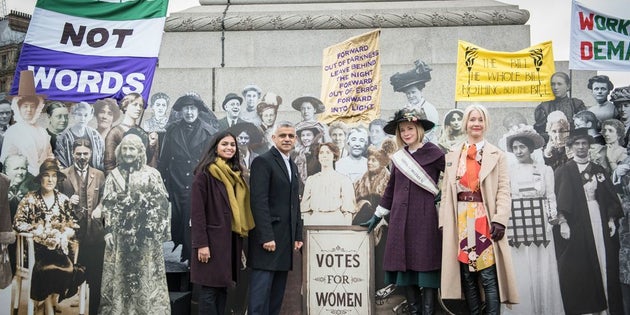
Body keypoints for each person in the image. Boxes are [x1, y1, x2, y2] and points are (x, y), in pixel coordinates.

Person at [360, 109, 444, 314]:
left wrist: (443, 193)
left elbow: (453, 177)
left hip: (424, 221)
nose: (406, 133)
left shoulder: (434, 152)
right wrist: (377, 216)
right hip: (400, 220)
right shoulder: (399, 158)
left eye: (410, 128)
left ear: (419, 129)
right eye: (402, 130)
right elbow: (390, 191)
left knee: (426, 268)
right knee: (405, 270)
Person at [438, 104, 519, 313]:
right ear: (466, 123)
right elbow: (446, 191)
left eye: (480, 119)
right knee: (467, 275)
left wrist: (500, 219)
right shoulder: (453, 154)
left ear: (486, 124)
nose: (476, 123)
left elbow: (503, 190)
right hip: (461, 219)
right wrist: (443, 222)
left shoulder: (497, 155)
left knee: (488, 275)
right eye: (472, 119)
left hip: (484, 218)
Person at [553, 127, 624, 314]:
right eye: (577, 143)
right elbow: (560, 199)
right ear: (571, 146)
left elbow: (609, 197)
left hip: (598, 218)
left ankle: (606, 307)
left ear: (589, 146)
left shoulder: (598, 169)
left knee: (603, 258)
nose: (581, 147)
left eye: (584, 143)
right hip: (577, 223)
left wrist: (610, 219)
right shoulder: (564, 170)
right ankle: (589, 307)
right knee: (582, 264)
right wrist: (563, 222)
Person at [99, 134, 171, 314]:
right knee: (120, 278)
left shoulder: (152, 174)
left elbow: (162, 205)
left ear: (140, 151)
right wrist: (107, 231)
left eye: (132, 149)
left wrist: (155, 230)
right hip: (119, 239)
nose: (128, 153)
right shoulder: (113, 176)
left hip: (145, 239)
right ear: (120, 151)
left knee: (145, 277)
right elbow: (107, 205)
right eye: (125, 148)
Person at [190, 130, 255, 315]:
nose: (229, 147)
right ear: (215, 148)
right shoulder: (204, 175)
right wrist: (202, 244)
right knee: (209, 291)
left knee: (223, 289)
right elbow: (197, 214)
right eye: (224, 144)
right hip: (210, 243)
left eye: (232, 144)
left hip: (230, 242)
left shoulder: (237, 176)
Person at [503, 125, 564, 314]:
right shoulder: (508, 171)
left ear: (530, 148)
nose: (519, 151)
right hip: (518, 224)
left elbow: (550, 196)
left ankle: (544, 308)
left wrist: (552, 218)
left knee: (541, 266)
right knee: (521, 266)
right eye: (515, 148)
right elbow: (506, 199)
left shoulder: (544, 170)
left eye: (522, 147)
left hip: (540, 224)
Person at [13, 158, 85, 314]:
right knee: (45, 268)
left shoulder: (63, 200)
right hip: (35, 251)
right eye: (46, 175)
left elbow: (73, 224)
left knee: (67, 269)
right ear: (40, 178)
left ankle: (47, 304)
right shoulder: (29, 199)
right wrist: (38, 231)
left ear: (58, 179)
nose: (50, 179)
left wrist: (66, 232)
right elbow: (18, 223)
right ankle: (47, 307)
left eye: (54, 176)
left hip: (58, 250)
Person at [247, 121, 303, 315]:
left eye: (290, 136)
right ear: (273, 138)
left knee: (276, 298)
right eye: (282, 135)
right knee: (259, 299)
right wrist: (266, 236)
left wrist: (298, 235)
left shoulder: (292, 166)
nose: (287, 139)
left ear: (295, 139)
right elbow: (258, 201)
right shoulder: (263, 161)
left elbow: (294, 203)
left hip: (285, 240)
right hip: (268, 240)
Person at [159, 94, 218, 262]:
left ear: (198, 111)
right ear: (181, 111)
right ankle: (184, 254)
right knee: (178, 220)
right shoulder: (172, 130)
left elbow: (213, 163)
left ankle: (193, 259)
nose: (189, 112)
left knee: (195, 220)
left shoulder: (209, 132)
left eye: (192, 109)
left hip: (198, 183)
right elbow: (164, 159)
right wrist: (162, 183)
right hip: (176, 182)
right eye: (186, 109)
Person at [59, 139, 106, 315]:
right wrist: (67, 201)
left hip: (95, 235)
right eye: (78, 153)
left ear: (91, 154)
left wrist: (100, 207)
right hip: (73, 236)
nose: (82, 157)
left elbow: (104, 196)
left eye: (85, 154)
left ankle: (93, 311)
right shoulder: (63, 174)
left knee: (96, 277)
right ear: (73, 154)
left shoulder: (99, 174)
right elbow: (56, 200)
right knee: (73, 276)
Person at [0, 70, 53, 176]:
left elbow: (49, 155)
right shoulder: (13, 132)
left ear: (37, 108)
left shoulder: (42, 131)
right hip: (22, 180)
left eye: (32, 106)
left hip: (43, 179)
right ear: (18, 108)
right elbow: (6, 162)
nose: (29, 110)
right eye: (25, 106)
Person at [301, 143, 356, 226]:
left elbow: (348, 211)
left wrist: (344, 231)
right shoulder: (311, 180)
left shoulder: (344, 180)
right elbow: (305, 210)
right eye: (321, 153)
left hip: (336, 222)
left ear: (334, 156)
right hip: (315, 222)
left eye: (328, 153)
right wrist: (308, 227)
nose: (324, 156)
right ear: (318, 156)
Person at [103, 93, 158, 172]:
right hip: (120, 179)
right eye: (135, 104)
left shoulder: (142, 132)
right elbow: (109, 165)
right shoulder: (114, 133)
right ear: (125, 106)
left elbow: (146, 160)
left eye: (141, 106)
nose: (139, 108)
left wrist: (152, 145)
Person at [389, 60, 440, 143]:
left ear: (420, 91)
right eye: (408, 93)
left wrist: (416, 143)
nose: (411, 96)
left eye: (413, 92)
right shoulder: (405, 109)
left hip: (427, 145)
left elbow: (432, 130)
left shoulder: (429, 108)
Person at [533, 71, 586, 142]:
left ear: (568, 86)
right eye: (553, 84)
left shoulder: (576, 105)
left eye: (559, 84)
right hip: (551, 144)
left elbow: (582, 129)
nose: (555, 87)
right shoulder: (544, 107)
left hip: (572, 144)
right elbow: (539, 131)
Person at [55, 102, 105, 169]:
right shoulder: (63, 137)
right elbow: (60, 162)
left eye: (86, 115)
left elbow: (102, 158)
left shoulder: (96, 136)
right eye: (79, 114)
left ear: (90, 116)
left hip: (93, 176)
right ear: (73, 115)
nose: (82, 118)